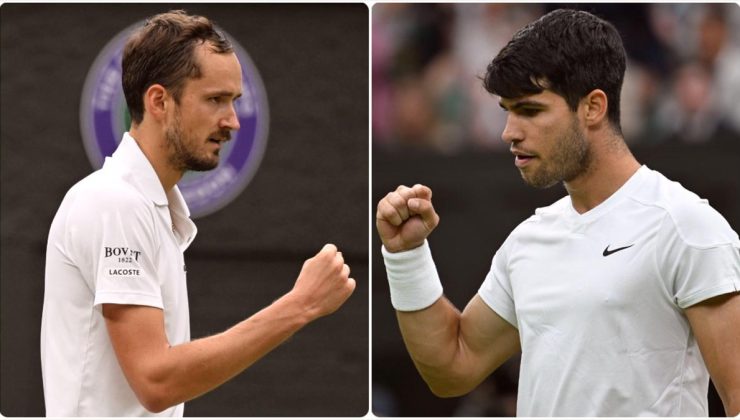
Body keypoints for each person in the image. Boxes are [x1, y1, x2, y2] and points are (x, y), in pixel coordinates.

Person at [376, 9, 740, 417]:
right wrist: (407, 256)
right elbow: (452, 367)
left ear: (593, 107)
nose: (509, 131)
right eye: (507, 111)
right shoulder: (528, 241)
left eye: (529, 110)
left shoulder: (687, 226)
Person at [41, 10, 355, 416]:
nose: (233, 122)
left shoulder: (146, 206)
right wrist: (299, 305)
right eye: (215, 100)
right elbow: (156, 381)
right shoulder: (115, 203)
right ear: (159, 101)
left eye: (234, 100)